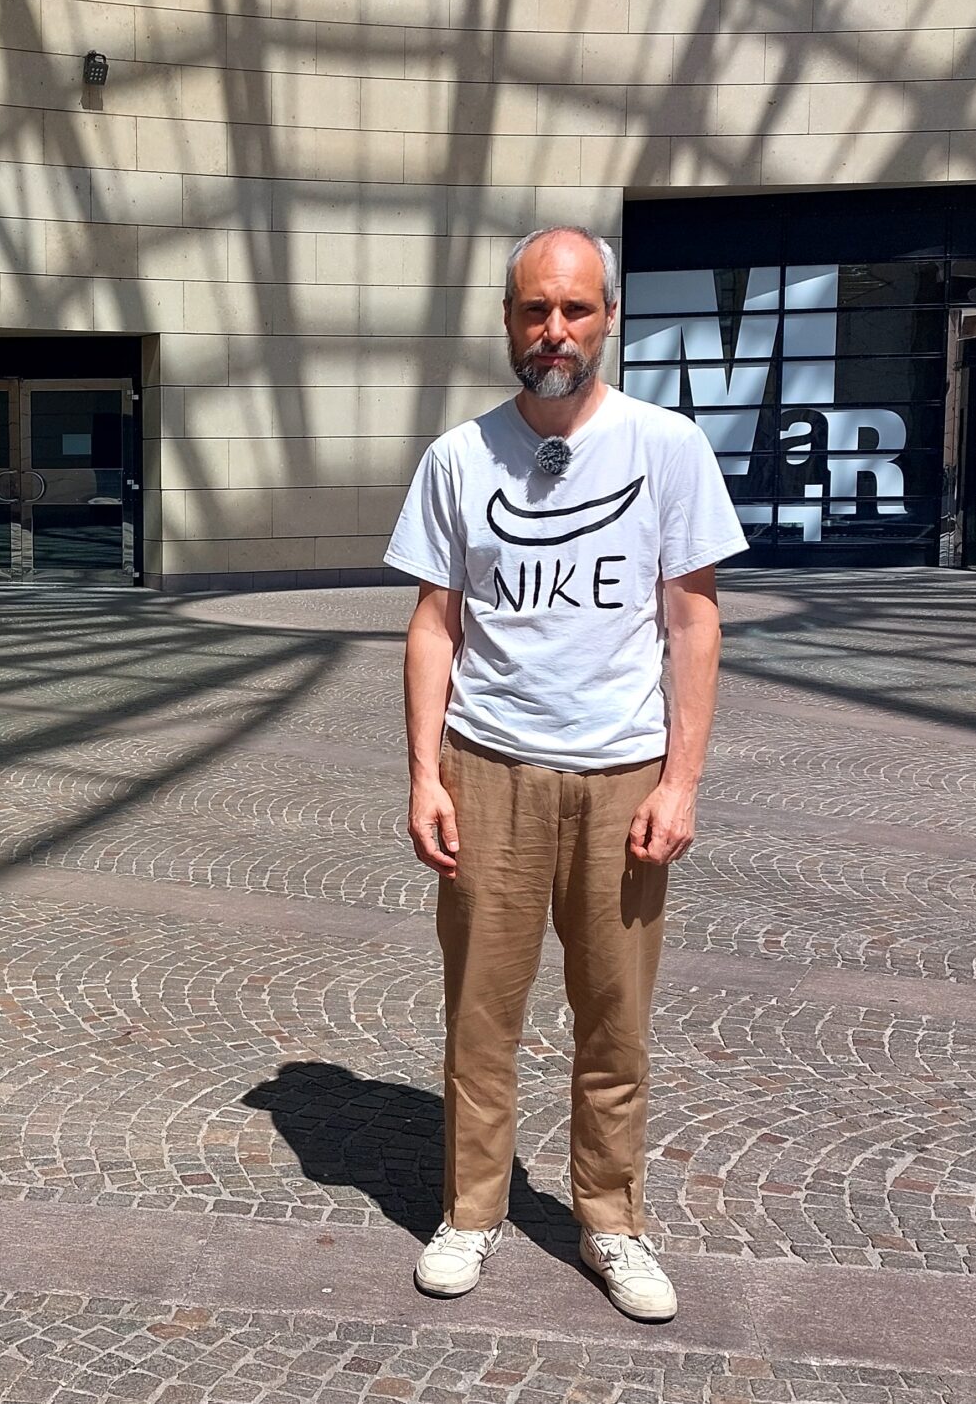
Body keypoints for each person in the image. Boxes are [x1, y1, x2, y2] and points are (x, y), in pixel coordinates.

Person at [383, 225, 745, 1323]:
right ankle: (471, 1209)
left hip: (622, 775)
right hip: (487, 768)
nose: (554, 330)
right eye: (535, 309)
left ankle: (611, 1218)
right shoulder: (458, 458)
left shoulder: (665, 447)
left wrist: (681, 783)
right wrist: (424, 774)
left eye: (575, 309)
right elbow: (434, 623)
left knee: (615, 1016)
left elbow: (693, 620)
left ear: (608, 318)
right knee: (479, 1013)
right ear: (507, 320)